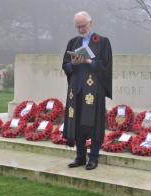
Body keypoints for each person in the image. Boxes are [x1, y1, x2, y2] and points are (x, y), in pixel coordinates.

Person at [62, 11, 112, 170]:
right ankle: (80, 156)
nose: (81, 30)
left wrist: (89, 61)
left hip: (94, 90)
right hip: (76, 89)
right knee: (77, 123)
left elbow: (106, 66)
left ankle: (94, 157)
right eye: (78, 27)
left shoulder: (103, 42)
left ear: (91, 23)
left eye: (83, 26)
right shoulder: (72, 42)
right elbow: (65, 65)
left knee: (94, 124)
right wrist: (74, 64)